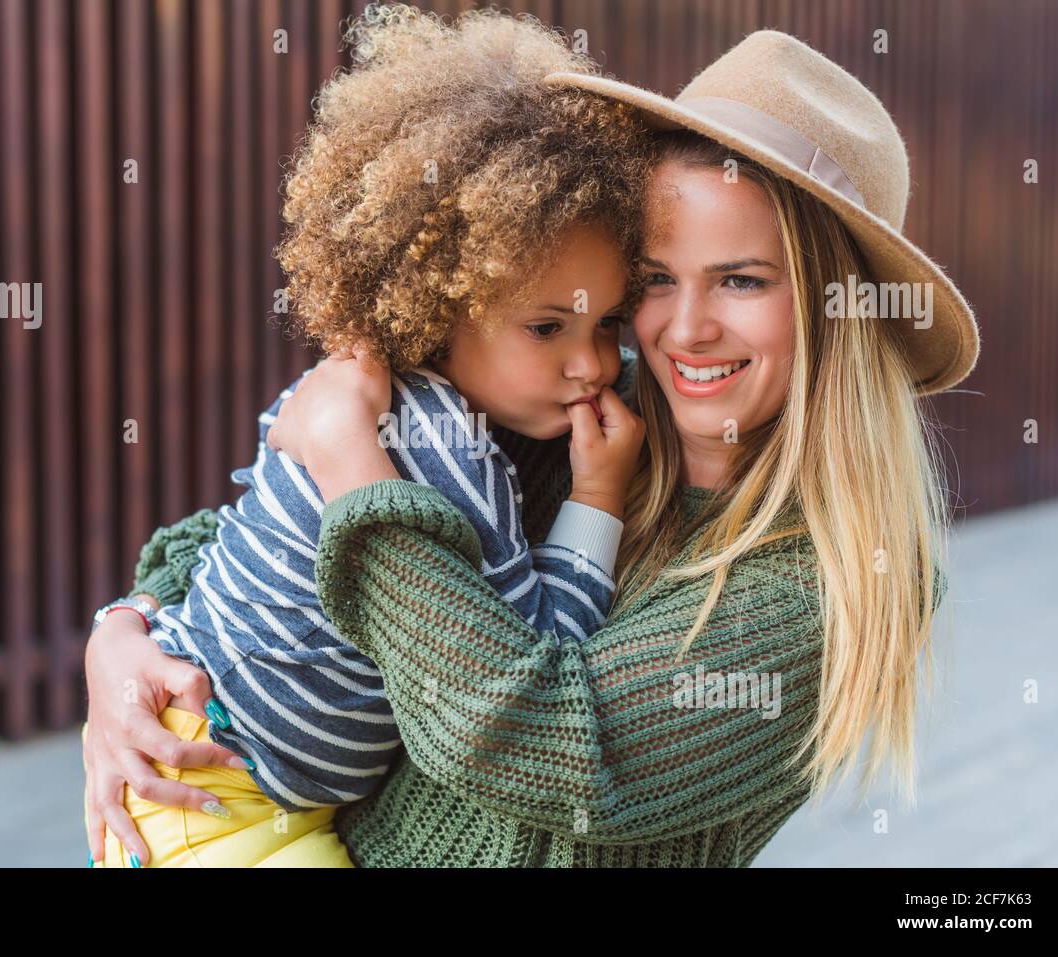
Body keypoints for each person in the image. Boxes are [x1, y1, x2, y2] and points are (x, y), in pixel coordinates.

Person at [84, 23, 979, 868]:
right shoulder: (597, 417)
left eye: (741, 280)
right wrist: (126, 640)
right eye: (658, 281)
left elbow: (534, 738)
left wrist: (357, 468)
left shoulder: (839, 569)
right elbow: (266, 531)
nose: (686, 329)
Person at [82, 3, 653, 867]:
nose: (593, 365)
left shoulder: (345, 391)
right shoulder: (453, 455)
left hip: (212, 756)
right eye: (547, 329)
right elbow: (542, 650)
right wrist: (597, 497)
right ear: (437, 303)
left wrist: (122, 625)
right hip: (218, 791)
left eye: (608, 322)